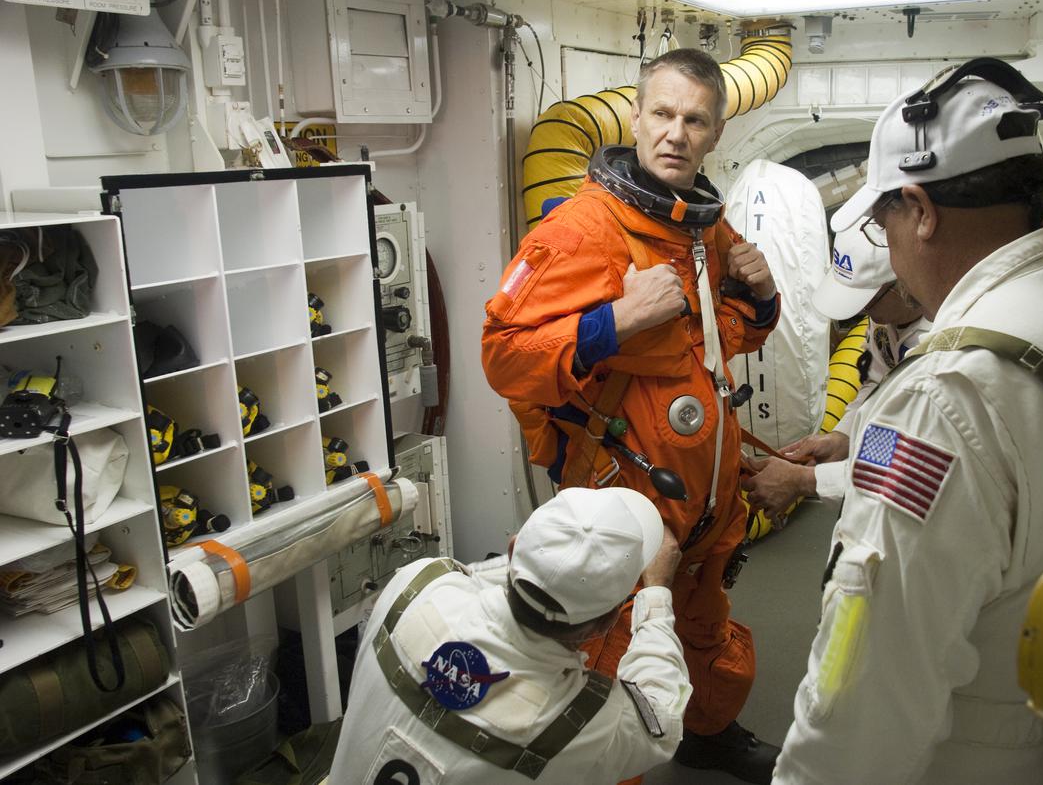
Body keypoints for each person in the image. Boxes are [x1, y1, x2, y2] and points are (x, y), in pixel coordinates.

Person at [772, 58, 1043, 785]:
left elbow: (866, 685)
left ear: (921, 210)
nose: (891, 253)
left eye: (885, 221)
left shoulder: (946, 394)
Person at [481, 47, 782, 783]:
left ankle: (706, 731)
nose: (676, 133)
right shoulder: (580, 231)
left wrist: (765, 295)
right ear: (637, 118)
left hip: (703, 497)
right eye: (662, 114)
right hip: (624, 494)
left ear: (715, 134)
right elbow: (502, 354)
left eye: (695, 119)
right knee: (614, 653)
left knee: (702, 630)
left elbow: (724, 338)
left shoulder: (702, 229)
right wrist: (610, 321)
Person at [329, 486, 688, 784]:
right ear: (605, 624)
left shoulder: (415, 584)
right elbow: (660, 719)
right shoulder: (578, 728)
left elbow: (472, 576)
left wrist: (545, 551)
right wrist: (656, 592)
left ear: (513, 547)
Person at [742, 197, 930, 519]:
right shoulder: (890, 318)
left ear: (902, 281)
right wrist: (843, 436)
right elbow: (875, 384)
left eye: (868, 302)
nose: (864, 312)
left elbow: (912, 467)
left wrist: (804, 480)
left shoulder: (938, 354)